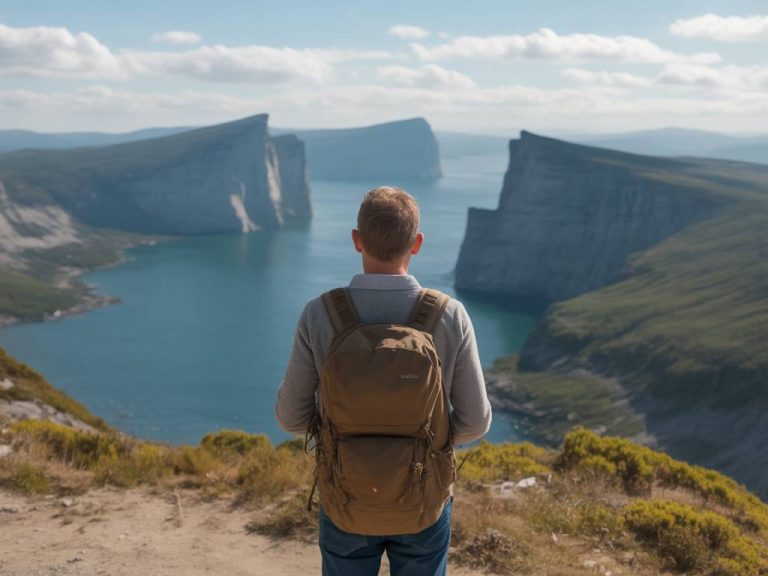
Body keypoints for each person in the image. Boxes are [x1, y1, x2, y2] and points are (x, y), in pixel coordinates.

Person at [275, 186, 492, 576]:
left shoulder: (319, 314)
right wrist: (428, 445)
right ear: (418, 243)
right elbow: (475, 421)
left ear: (356, 240)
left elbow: (290, 417)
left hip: (346, 495)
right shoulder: (449, 315)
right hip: (424, 498)